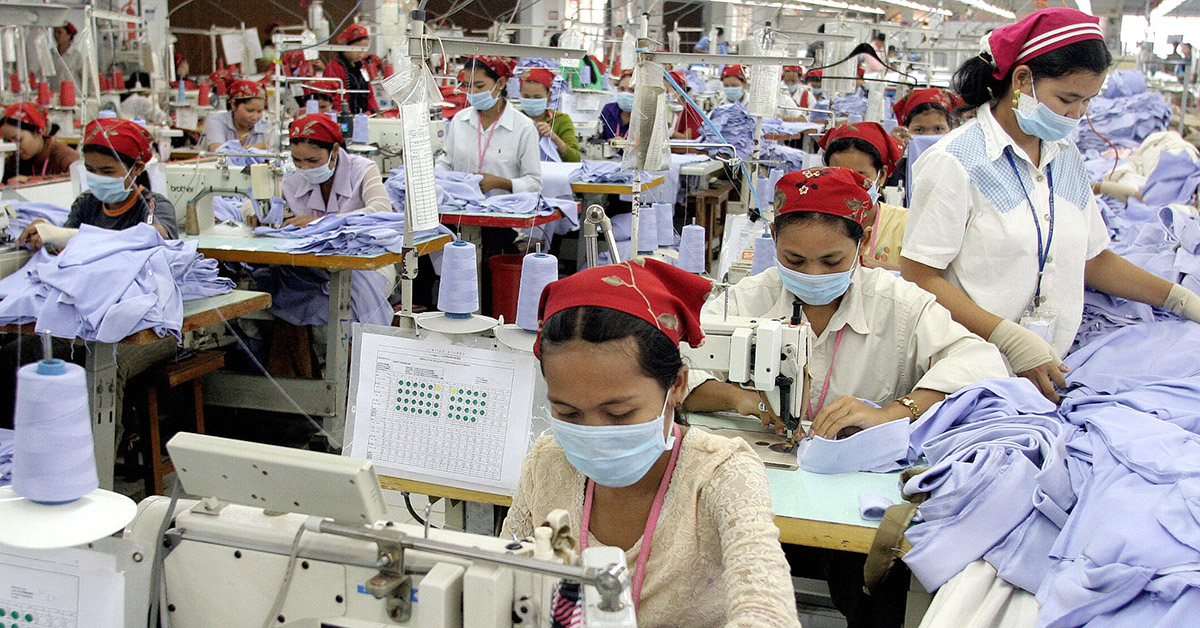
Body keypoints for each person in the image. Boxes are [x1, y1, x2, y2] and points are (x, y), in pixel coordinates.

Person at [681, 168, 1007, 628]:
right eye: (794, 259)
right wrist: (740, 399)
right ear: (773, 239)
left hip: (854, 506)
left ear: (863, 240)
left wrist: (895, 411)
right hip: (759, 496)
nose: (812, 274)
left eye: (832, 262)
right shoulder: (746, 301)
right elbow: (676, 369)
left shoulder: (899, 303)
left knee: (873, 585)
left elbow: (980, 362)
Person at [901, 8, 1200, 403]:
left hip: (1049, 370)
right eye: (1067, 99)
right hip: (968, 371)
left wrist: (1178, 299)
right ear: (1022, 80)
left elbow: (1093, 260)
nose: (1077, 115)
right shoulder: (955, 161)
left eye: (1087, 102)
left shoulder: (1065, 155)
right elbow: (920, 276)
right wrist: (1008, 338)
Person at [503, 257, 802, 628]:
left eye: (619, 414)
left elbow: (768, 610)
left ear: (677, 386)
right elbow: (505, 577)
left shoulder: (721, 475)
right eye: (568, 413)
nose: (594, 432)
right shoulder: (547, 464)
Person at [18, 117, 178, 250]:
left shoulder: (154, 205)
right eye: (90, 170)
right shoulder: (86, 203)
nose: (98, 177)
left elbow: (154, 238)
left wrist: (67, 236)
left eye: (107, 171)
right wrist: (46, 232)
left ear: (137, 168)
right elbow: (65, 245)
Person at [245, 113, 390, 227]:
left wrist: (320, 222)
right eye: (297, 160)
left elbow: (382, 209)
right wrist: (255, 213)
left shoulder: (362, 170)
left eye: (313, 160)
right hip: (308, 258)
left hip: (358, 255)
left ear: (334, 151)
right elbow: (250, 202)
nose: (304, 167)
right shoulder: (289, 172)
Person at [436, 56, 541, 195]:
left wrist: (502, 183)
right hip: (461, 207)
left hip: (505, 210)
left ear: (501, 83)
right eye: (467, 85)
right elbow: (445, 163)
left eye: (480, 86)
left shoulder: (523, 127)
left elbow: (535, 182)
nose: (472, 92)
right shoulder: (460, 120)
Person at [818, 122, 906, 270]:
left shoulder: (904, 224)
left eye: (860, 175)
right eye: (838, 174)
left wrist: (879, 268)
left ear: (882, 175)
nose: (848, 184)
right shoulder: (812, 222)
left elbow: (926, 278)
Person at [1, 103, 79, 185]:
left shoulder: (65, 157)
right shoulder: (13, 162)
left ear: (38, 131)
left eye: (18, 139)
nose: (14, 147)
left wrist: (30, 180)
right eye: (7, 141)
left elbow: (81, 179)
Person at [518, 68, 580, 162]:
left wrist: (554, 137)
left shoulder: (561, 120)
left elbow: (575, 159)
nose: (532, 101)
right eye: (526, 97)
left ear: (549, 96)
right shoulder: (515, 119)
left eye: (537, 97)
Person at [323, 24, 379, 114]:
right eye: (357, 49)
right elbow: (334, 98)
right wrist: (346, 115)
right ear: (345, 46)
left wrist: (376, 112)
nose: (361, 54)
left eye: (364, 50)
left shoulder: (362, 66)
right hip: (345, 115)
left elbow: (369, 94)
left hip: (363, 116)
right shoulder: (333, 68)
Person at [201, 80, 271, 151]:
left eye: (259, 111)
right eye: (250, 111)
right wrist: (263, 146)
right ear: (233, 104)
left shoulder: (265, 126)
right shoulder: (217, 121)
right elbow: (219, 151)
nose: (255, 117)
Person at [890, 88, 961, 143]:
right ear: (906, 129)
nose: (929, 136)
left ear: (950, 128)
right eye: (919, 130)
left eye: (938, 129)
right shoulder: (898, 156)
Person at [667, 70, 703, 140]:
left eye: (666, 90)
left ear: (679, 92)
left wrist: (672, 133)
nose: (664, 94)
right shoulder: (662, 109)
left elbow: (688, 139)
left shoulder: (690, 112)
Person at [599, 70, 634, 141]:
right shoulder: (608, 110)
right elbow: (600, 138)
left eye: (632, 90)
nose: (625, 93)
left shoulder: (644, 117)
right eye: (622, 89)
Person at [50, 22, 83, 89]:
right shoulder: (51, 54)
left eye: (59, 32)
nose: (56, 35)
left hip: (73, 95)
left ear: (69, 35)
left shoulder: (76, 56)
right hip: (55, 94)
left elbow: (86, 77)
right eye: (55, 32)